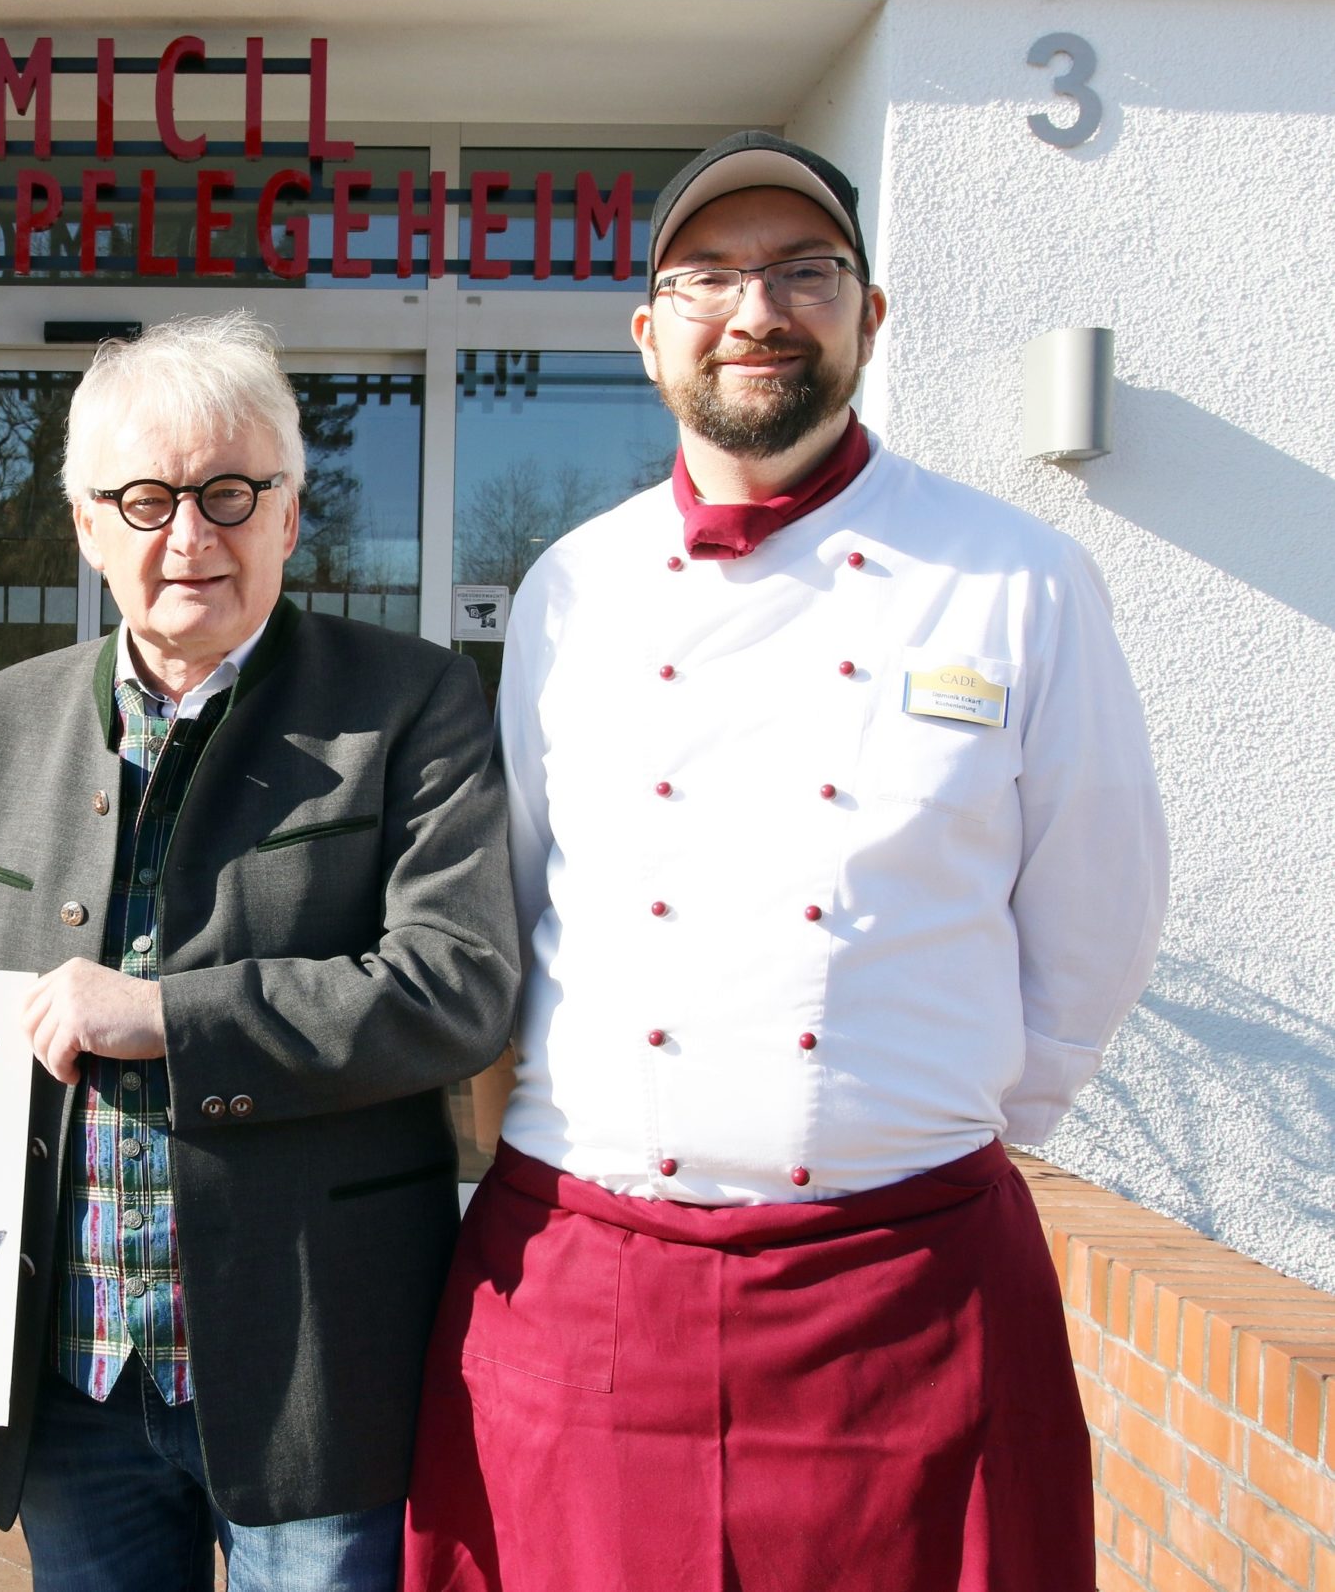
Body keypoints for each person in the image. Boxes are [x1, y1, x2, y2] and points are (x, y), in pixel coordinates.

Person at [403, 132, 1170, 1592]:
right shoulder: (573, 585)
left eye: (805, 272)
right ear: (647, 337)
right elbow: (512, 908)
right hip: (591, 1285)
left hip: (908, 1291)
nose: (757, 309)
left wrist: (902, 1132)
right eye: (709, 276)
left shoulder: (1019, 581)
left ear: (870, 317)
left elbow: (1096, 921)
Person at [0, 311, 518, 1592]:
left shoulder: (411, 704)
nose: (188, 536)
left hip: (312, 1370)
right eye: (144, 499)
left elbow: (457, 986)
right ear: (86, 524)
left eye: (230, 492)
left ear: (292, 514)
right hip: (75, 1374)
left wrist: (171, 1015)